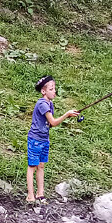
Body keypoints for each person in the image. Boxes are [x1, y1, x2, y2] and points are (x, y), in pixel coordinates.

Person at [27, 75, 79, 203]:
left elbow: (49, 124)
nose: (54, 91)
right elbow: (54, 122)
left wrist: (68, 116)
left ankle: (40, 193)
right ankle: (30, 195)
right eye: (51, 89)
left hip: (44, 139)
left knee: (41, 166)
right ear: (43, 91)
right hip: (35, 139)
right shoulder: (42, 104)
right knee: (32, 166)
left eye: (54, 88)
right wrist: (66, 114)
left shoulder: (50, 104)